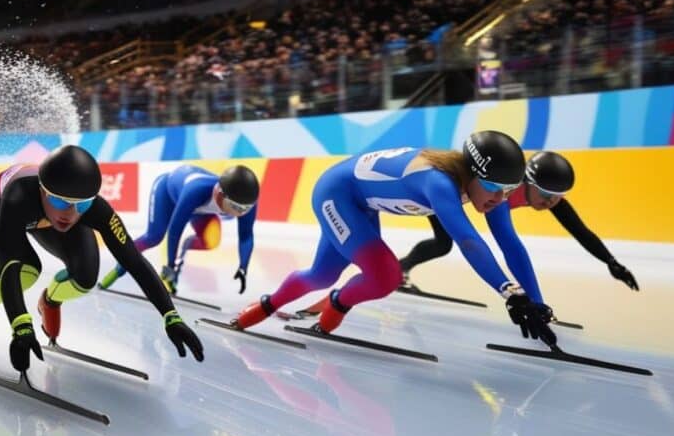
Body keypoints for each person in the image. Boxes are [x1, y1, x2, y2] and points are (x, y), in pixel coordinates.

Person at [233, 131, 558, 346]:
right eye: (494, 188)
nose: (500, 198)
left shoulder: (488, 190)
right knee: (384, 275)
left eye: (510, 191)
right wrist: (511, 293)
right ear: (473, 174)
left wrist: (538, 301)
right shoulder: (439, 183)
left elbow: (510, 245)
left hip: (361, 200)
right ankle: (271, 307)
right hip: (336, 193)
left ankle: (324, 302)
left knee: (323, 273)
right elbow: (468, 240)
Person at [0, 145, 204, 372]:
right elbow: (9, 268)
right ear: (43, 191)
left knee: (85, 277)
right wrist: (21, 327)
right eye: (61, 202)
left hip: (42, 216)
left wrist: (171, 316)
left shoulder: (94, 210)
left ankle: (49, 300)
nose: (70, 214)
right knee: (26, 271)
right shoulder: (20, 196)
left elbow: (133, 260)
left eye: (81, 205)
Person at [397, 151, 639, 291]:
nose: (550, 203)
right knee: (444, 244)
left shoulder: (545, 193)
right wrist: (532, 301)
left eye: (557, 197)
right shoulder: (506, 189)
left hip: (460, 194)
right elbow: (509, 244)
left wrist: (611, 262)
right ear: (527, 183)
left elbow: (579, 230)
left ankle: (401, 268)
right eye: (546, 195)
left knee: (443, 243)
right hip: (443, 190)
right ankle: (400, 269)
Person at [99, 164, 259, 295]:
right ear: (219, 193)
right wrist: (169, 267)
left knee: (211, 241)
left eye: (243, 209)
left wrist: (243, 267)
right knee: (154, 237)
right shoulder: (196, 190)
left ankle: (184, 251)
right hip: (169, 193)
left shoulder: (244, 203)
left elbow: (246, 236)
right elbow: (174, 231)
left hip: (199, 210)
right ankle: (118, 269)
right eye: (233, 207)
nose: (237, 213)